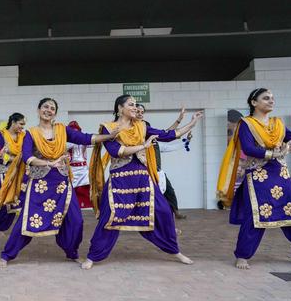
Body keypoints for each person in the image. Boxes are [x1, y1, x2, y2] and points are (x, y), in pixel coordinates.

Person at [82, 95, 202, 269]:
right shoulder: (109, 128)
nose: (135, 107)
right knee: (110, 218)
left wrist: (192, 123)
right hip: (120, 181)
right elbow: (117, 151)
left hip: (142, 179)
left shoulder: (141, 126)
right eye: (131, 104)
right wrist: (143, 147)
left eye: (135, 104)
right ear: (120, 108)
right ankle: (93, 256)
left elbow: (168, 135)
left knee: (163, 211)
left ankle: (174, 250)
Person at [0, 98, 117, 268]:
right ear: (39, 110)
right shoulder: (31, 133)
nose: (49, 110)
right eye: (45, 107)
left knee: (76, 221)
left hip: (62, 184)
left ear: (55, 112)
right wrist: (49, 163)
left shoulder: (62, 130)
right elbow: (27, 158)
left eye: (52, 108)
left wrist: (109, 136)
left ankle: (71, 252)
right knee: (27, 222)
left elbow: (85, 138)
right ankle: (7, 254)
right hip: (40, 185)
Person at [216, 88, 291, 269]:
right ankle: (243, 255)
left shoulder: (278, 124)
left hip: (281, 175)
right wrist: (275, 154)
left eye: (272, 98)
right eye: (266, 98)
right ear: (254, 102)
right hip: (258, 175)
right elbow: (249, 148)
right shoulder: (247, 123)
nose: (271, 101)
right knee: (257, 216)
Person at [136, 104, 188, 219]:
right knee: (147, 196)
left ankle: (175, 211)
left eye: (142, 112)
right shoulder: (138, 142)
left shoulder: (156, 142)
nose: (140, 114)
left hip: (158, 172)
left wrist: (179, 120)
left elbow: (167, 133)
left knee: (169, 191)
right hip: (145, 173)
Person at [66, 121, 91, 208]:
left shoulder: (83, 141)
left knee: (84, 188)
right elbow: (66, 146)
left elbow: (92, 142)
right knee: (72, 189)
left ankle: (86, 206)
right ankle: (73, 206)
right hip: (72, 169)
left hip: (83, 168)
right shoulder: (67, 143)